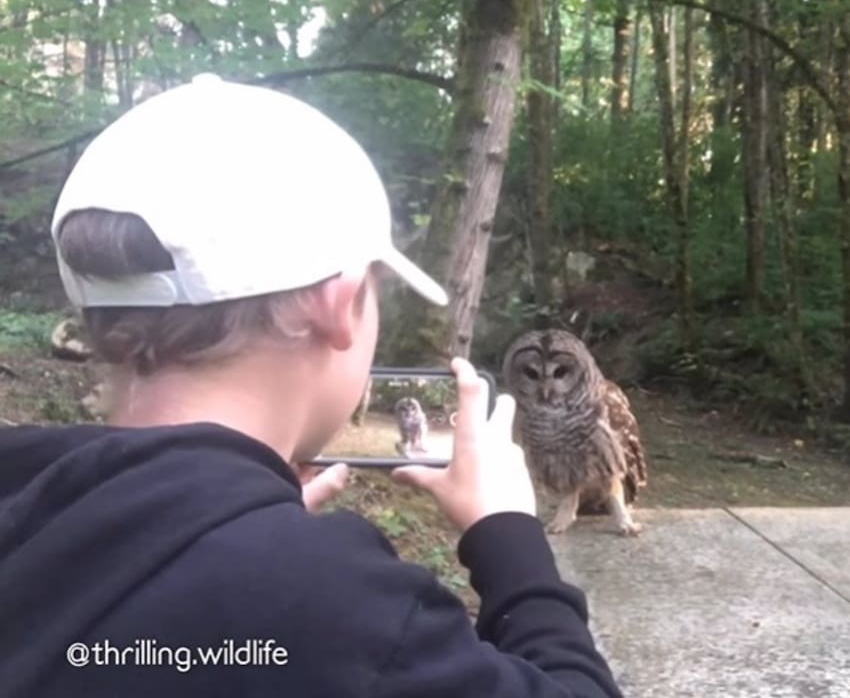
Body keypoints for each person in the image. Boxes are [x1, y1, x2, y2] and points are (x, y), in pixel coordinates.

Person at [0, 74, 625, 697]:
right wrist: (507, 533)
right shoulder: (338, 607)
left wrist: (218, 526)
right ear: (339, 303)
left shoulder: (27, 500)